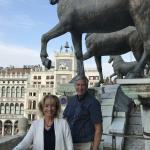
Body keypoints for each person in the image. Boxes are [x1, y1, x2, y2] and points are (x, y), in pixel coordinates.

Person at [63, 76, 103, 150]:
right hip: (70, 142)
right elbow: (65, 120)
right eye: (78, 85)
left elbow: (98, 128)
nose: (80, 88)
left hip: (86, 144)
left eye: (83, 85)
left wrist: (95, 148)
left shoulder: (93, 103)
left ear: (87, 86)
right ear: (75, 86)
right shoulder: (71, 100)